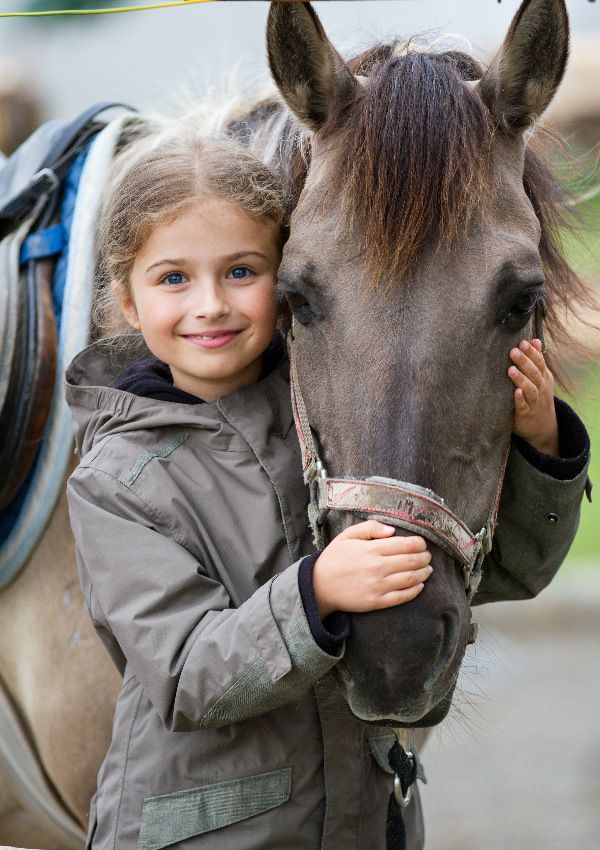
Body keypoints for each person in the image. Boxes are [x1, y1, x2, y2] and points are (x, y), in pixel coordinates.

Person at [65, 129, 590, 850]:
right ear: (126, 301)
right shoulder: (116, 480)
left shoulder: (330, 425)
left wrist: (541, 449)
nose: (211, 304)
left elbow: (503, 571)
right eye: (174, 279)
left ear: (283, 282)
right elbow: (186, 673)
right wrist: (314, 593)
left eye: (242, 271)